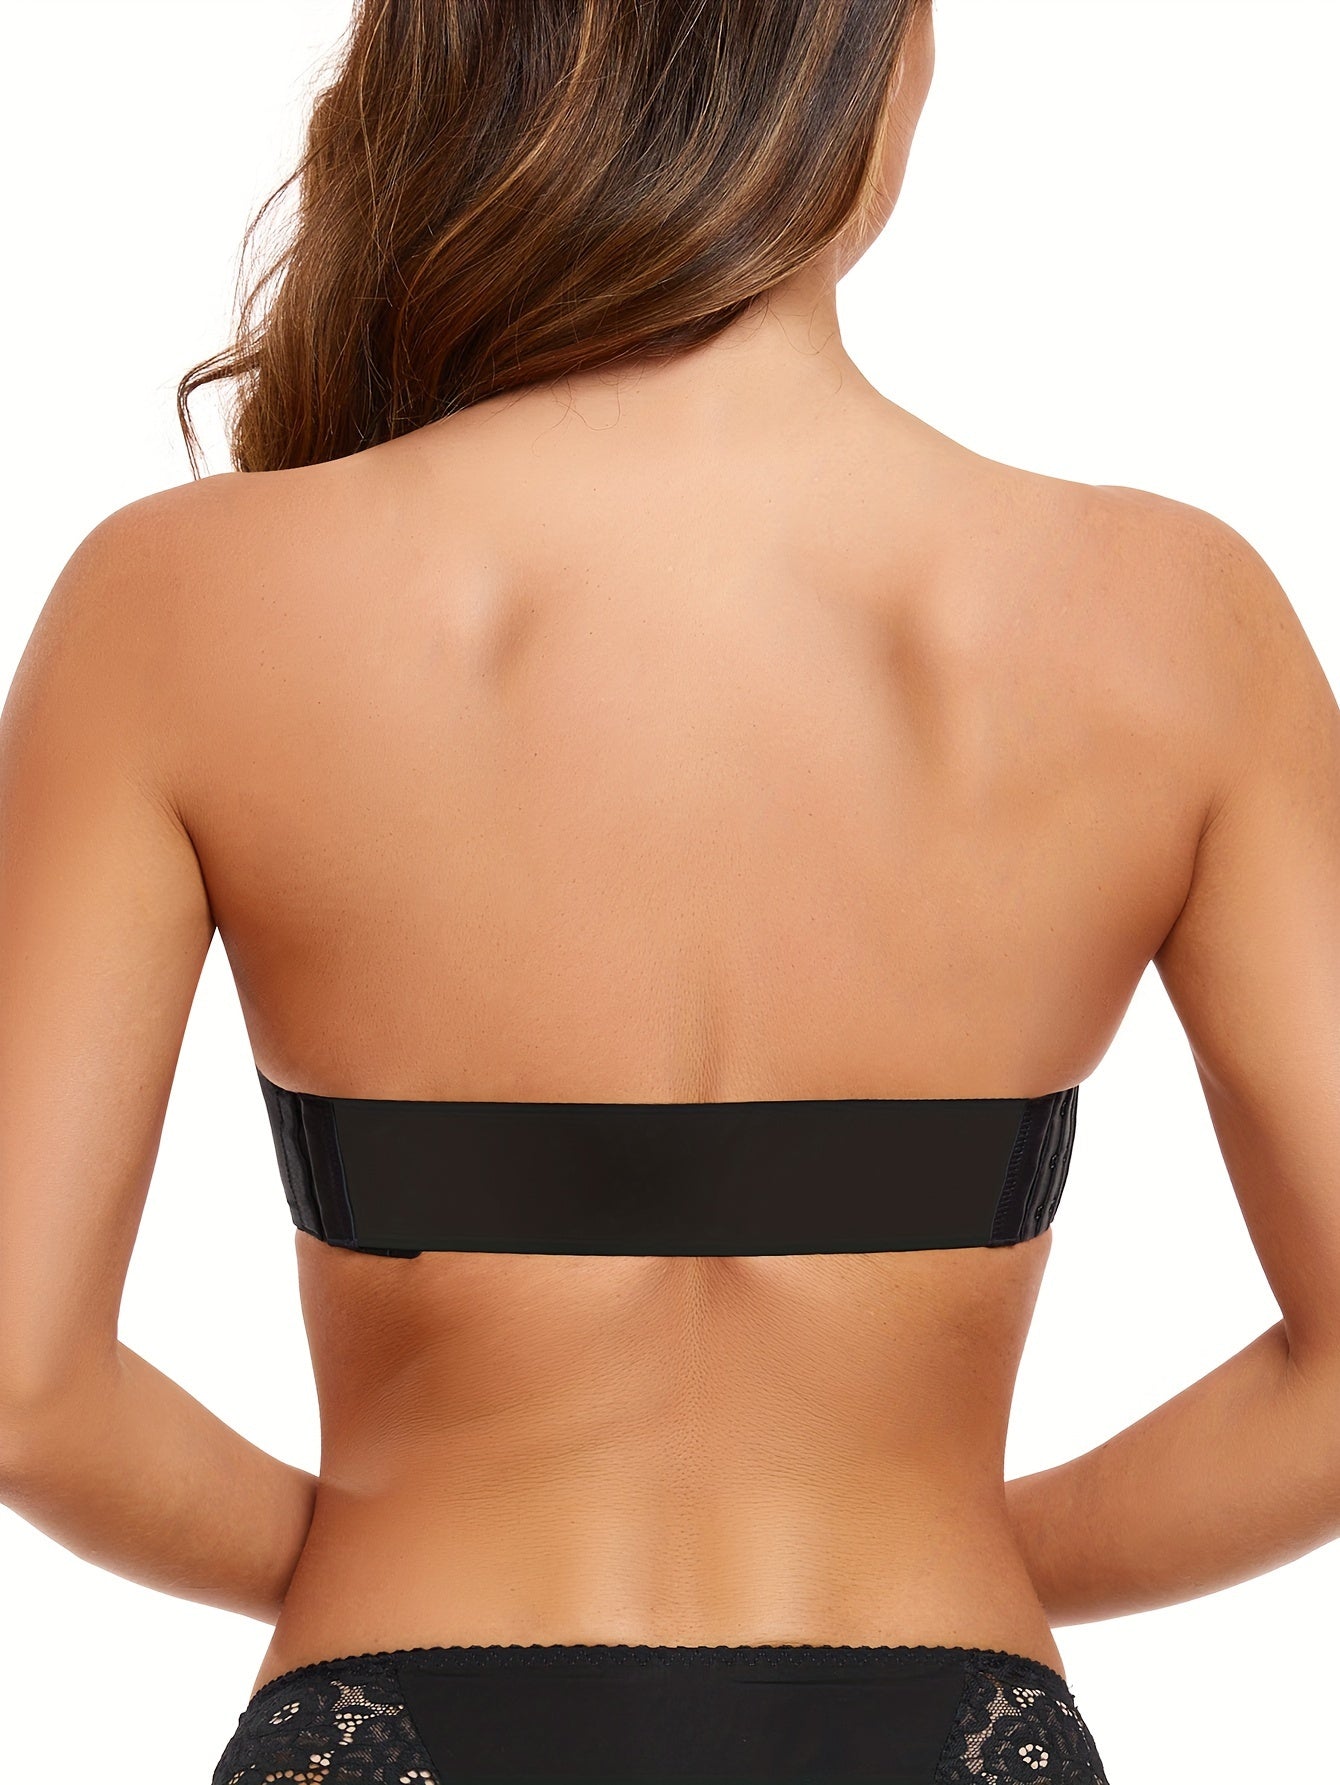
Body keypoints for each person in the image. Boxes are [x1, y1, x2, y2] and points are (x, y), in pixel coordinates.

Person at [1, 1, 1336, 1780]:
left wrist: (369, 1553)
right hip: (941, 1702)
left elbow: (21, 1383)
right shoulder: (1170, 616)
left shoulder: (177, 603)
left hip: (395, 1705)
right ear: (872, 65)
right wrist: (972, 1558)